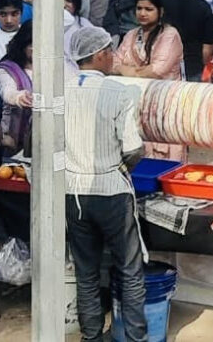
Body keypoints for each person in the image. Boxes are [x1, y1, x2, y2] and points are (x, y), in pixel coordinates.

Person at [63, 26, 148, 342]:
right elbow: (132, 149)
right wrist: (123, 168)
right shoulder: (120, 92)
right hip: (111, 191)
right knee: (129, 270)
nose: (113, 57)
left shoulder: (62, 90)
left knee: (86, 271)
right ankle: (137, 336)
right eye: (110, 51)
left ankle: (91, 336)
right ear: (99, 54)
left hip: (73, 192)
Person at [158, 0, 213, 82]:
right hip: (192, 66)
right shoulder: (202, 6)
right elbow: (208, 46)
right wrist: (200, 65)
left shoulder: (157, 4)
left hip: (160, 65)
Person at [114, 0, 184, 83]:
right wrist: (124, 70)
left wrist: (129, 72)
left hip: (163, 91)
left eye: (148, 9)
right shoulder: (131, 34)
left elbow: (158, 70)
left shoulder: (169, 34)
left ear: (161, 11)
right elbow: (114, 63)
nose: (142, 13)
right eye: (139, 8)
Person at [0, 22, 34, 157]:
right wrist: (19, 97)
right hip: (14, 143)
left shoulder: (58, 67)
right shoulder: (6, 69)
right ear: (24, 45)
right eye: (34, 45)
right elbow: (7, 91)